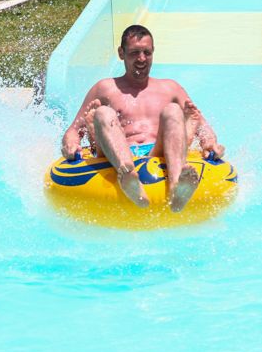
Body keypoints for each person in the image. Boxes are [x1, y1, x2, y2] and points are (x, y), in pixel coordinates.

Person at [61, 25, 225, 212]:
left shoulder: (170, 88)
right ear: (121, 53)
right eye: (134, 53)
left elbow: (203, 126)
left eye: (147, 52)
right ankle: (127, 175)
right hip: (119, 151)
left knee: (173, 110)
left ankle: (177, 185)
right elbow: (73, 130)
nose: (141, 59)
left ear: (153, 52)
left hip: (159, 150)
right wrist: (71, 145)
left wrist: (209, 143)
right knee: (103, 113)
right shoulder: (105, 88)